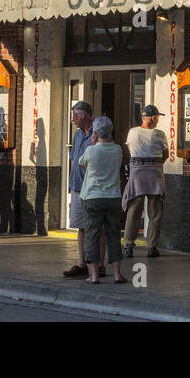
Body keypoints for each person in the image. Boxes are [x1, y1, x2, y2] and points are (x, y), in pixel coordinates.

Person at [79, 116, 126, 285]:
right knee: (114, 234)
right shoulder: (118, 150)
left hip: (93, 197)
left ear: (96, 133)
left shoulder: (91, 151)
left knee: (92, 235)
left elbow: (82, 163)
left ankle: (94, 276)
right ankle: (117, 275)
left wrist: (92, 144)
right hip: (113, 197)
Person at [122, 104, 168, 258]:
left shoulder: (132, 132)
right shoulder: (159, 134)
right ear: (153, 118)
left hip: (137, 172)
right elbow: (165, 154)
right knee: (155, 212)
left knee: (134, 211)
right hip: (155, 172)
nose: (158, 121)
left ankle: (128, 245)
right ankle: (152, 247)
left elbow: (129, 149)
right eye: (157, 118)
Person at [62, 101, 95, 278]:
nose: (73, 119)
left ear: (83, 115)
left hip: (90, 188)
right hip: (76, 186)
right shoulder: (76, 135)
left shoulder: (97, 134)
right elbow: (75, 158)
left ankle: (97, 265)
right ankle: (81, 263)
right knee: (81, 227)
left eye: (75, 116)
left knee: (96, 227)